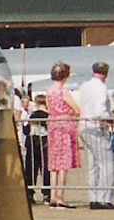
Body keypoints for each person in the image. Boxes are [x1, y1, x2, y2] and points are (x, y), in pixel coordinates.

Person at [77, 61, 114, 209]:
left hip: (84, 126)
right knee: (107, 163)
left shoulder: (85, 86)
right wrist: (109, 119)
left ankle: (93, 197)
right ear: (106, 74)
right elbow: (100, 111)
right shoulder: (101, 88)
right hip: (95, 126)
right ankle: (104, 197)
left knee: (93, 164)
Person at [46, 62, 82, 208]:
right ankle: (60, 195)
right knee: (63, 163)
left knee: (54, 163)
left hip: (53, 125)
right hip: (65, 126)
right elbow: (76, 109)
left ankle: (53, 195)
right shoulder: (63, 91)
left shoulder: (49, 91)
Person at [24, 94, 50, 203]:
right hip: (44, 141)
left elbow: (25, 130)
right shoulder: (48, 116)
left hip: (31, 141)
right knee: (46, 169)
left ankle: (29, 193)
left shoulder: (30, 115)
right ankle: (47, 193)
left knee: (31, 168)